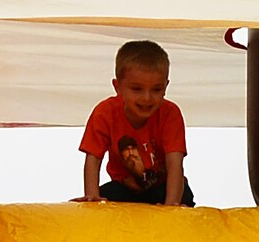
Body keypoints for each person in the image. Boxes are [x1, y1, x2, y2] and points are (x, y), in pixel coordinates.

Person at [79, 39, 193, 206]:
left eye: (156, 89)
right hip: (125, 189)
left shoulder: (170, 113)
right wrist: (92, 197)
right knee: (106, 194)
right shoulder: (105, 113)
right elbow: (93, 158)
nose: (147, 98)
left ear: (166, 86)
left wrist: (171, 205)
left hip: (161, 187)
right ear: (117, 87)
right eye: (137, 89)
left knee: (183, 194)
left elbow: (175, 162)